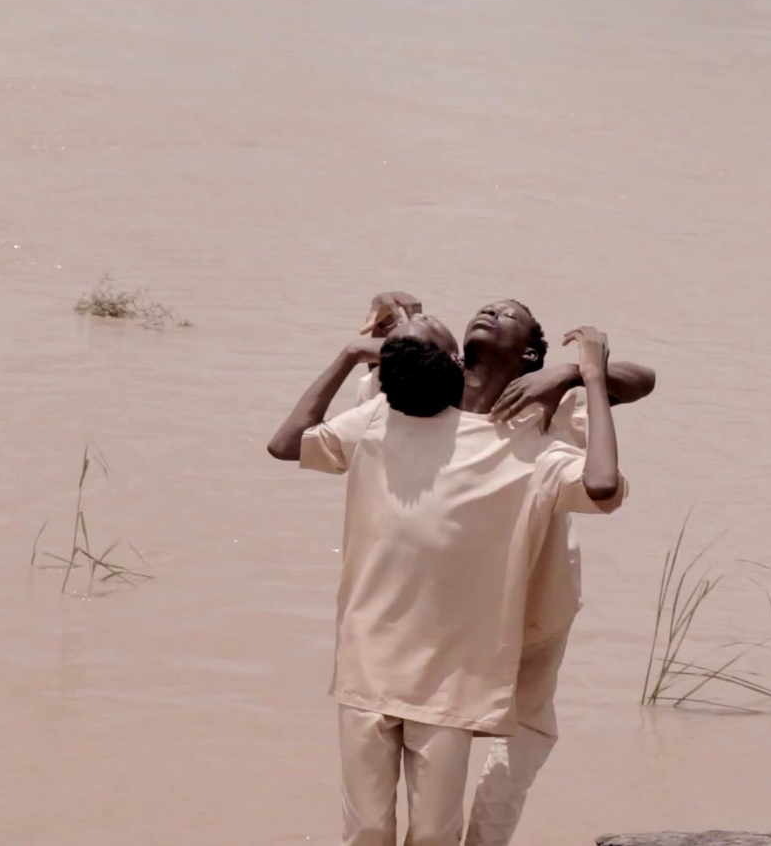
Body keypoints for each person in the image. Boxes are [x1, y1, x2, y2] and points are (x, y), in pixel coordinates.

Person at [267, 312, 628, 846]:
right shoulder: (384, 414)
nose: (489, 315)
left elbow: (602, 483)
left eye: (509, 315)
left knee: (435, 834)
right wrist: (348, 353)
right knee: (365, 829)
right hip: (368, 659)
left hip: (452, 675)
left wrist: (585, 375)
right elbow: (285, 444)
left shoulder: (529, 440)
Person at [357, 293, 657, 846]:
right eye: (485, 310)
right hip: (450, 615)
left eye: (510, 315)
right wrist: (382, 325)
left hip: (536, 605)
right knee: (427, 759)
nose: (490, 314)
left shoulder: (548, 404)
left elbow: (643, 381)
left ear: (531, 356)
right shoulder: (424, 398)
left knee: (517, 744)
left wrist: (570, 374)